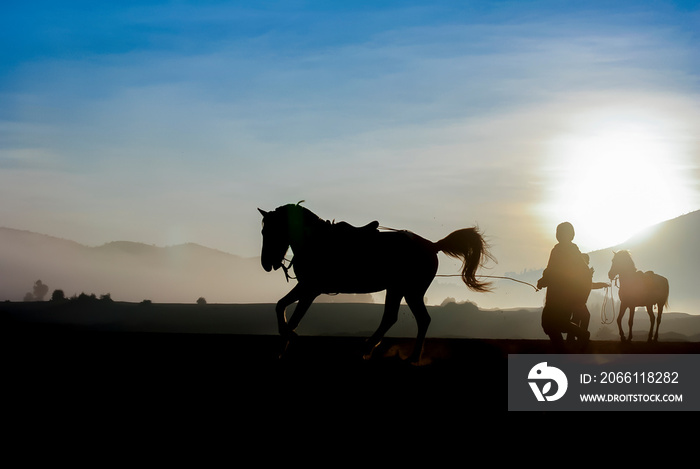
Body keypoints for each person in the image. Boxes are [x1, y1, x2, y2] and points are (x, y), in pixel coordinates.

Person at [537, 222, 591, 349]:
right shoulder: (565, 251)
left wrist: (543, 281)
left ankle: (580, 336)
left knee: (552, 323)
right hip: (560, 296)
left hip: (560, 296)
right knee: (554, 324)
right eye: (558, 232)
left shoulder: (562, 251)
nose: (558, 235)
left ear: (570, 235)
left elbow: (553, 271)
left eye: (561, 232)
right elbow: (552, 271)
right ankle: (563, 348)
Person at [567, 253, 609, 342]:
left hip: (575, 301)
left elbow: (589, 285)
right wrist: (602, 284)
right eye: (587, 261)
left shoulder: (576, 271)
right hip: (578, 301)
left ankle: (572, 338)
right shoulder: (581, 273)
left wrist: (601, 284)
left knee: (577, 317)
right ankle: (580, 337)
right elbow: (589, 285)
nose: (588, 263)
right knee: (584, 316)